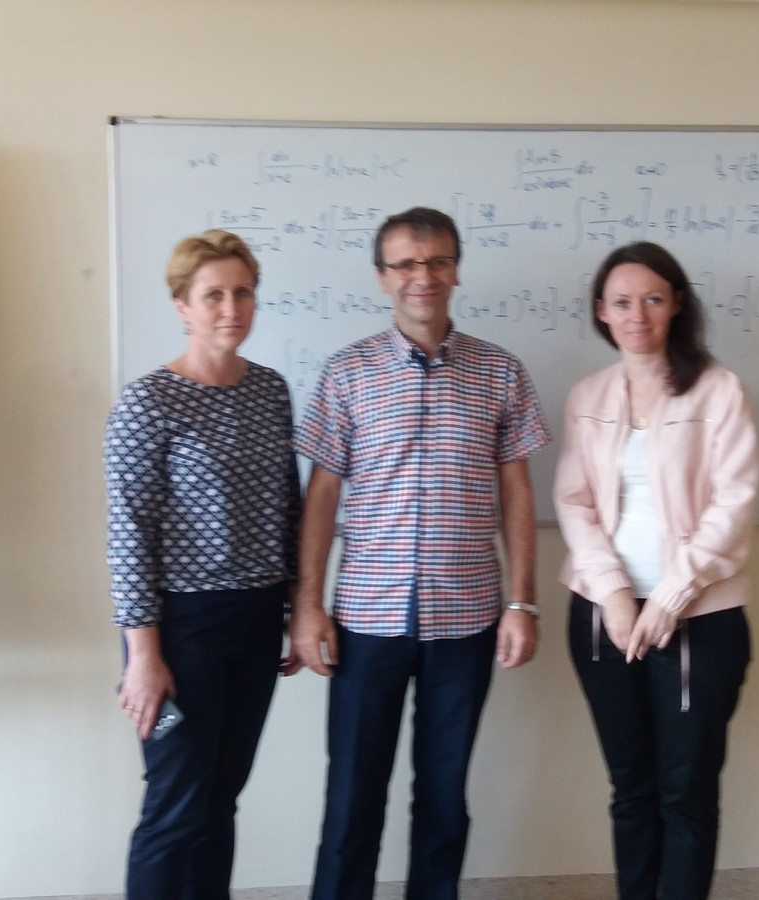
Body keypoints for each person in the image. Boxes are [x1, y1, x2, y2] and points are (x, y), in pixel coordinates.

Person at [290, 206, 551, 900]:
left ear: (456, 270)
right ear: (382, 278)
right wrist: (307, 606)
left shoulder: (500, 373)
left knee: (443, 799)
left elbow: (517, 493)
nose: (422, 276)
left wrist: (522, 602)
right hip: (365, 620)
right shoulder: (346, 373)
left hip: (466, 619)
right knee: (352, 798)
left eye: (437, 261)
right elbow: (321, 496)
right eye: (405, 263)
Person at [553, 241, 759, 900]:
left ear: (676, 306)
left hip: (700, 617)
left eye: (652, 299)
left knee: (686, 791)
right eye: (621, 302)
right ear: (601, 312)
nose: (636, 314)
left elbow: (735, 502)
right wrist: (615, 594)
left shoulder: (719, 390)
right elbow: (574, 501)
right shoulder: (587, 395)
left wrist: (670, 597)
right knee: (631, 788)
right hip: (603, 618)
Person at [103, 229, 301, 900]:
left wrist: (296, 607)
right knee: (175, 805)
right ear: (182, 306)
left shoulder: (270, 391)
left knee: (221, 800)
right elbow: (128, 533)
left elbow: (288, 506)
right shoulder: (148, 402)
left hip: (257, 619)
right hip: (179, 629)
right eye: (213, 295)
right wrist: (143, 655)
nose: (231, 308)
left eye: (243, 293)